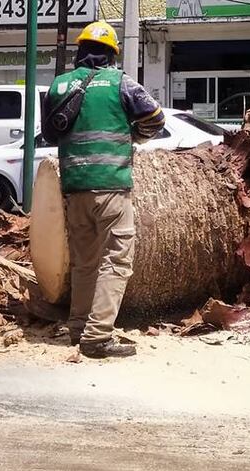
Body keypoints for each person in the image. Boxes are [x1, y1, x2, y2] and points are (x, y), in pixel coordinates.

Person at [44, 21, 165, 359]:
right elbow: (155, 117)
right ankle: (97, 337)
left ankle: (79, 327)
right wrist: (134, 137)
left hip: (74, 188)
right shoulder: (120, 83)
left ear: (80, 52)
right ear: (112, 54)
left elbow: (52, 135)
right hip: (111, 185)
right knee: (116, 260)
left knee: (84, 261)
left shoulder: (58, 86)